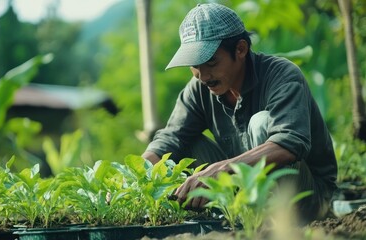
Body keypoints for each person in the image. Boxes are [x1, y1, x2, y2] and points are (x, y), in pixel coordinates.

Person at [141, 3, 337, 224]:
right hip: (246, 194)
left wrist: (222, 169)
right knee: (182, 144)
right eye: (195, 65)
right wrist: (134, 180)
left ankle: (273, 224)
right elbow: (169, 139)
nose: (203, 76)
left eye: (211, 62)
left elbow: (289, 143)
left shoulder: (282, 75)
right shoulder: (199, 88)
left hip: (308, 198)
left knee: (261, 123)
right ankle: (238, 217)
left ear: (241, 49)